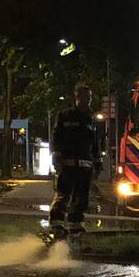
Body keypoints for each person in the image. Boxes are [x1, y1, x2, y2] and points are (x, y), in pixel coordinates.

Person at [49, 83, 100, 236]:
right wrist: (57, 159)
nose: (86, 100)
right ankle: (56, 225)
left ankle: (75, 226)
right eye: (82, 97)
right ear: (76, 98)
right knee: (63, 195)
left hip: (85, 166)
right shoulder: (65, 116)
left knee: (81, 198)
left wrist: (97, 163)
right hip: (67, 165)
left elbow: (95, 143)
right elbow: (56, 138)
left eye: (88, 98)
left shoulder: (90, 120)